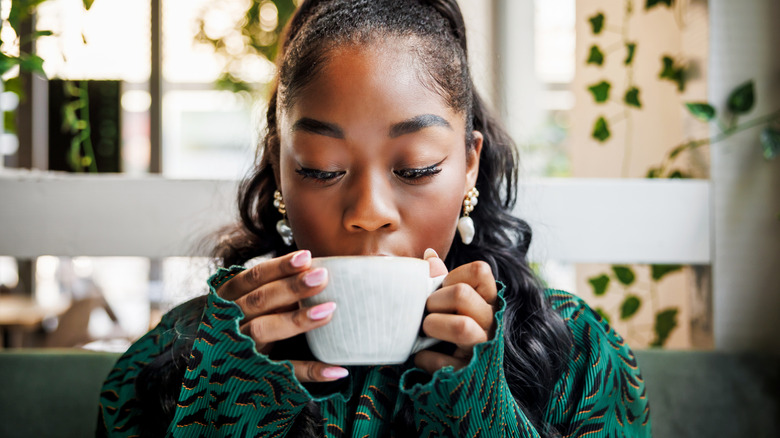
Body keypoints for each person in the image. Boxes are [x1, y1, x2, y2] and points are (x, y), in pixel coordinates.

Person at [98, 1, 651, 436]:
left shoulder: (575, 354)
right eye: (321, 169)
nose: (368, 213)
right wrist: (228, 402)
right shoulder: (179, 358)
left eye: (415, 169)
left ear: (469, 166)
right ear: (280, 171)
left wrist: (479, 408)